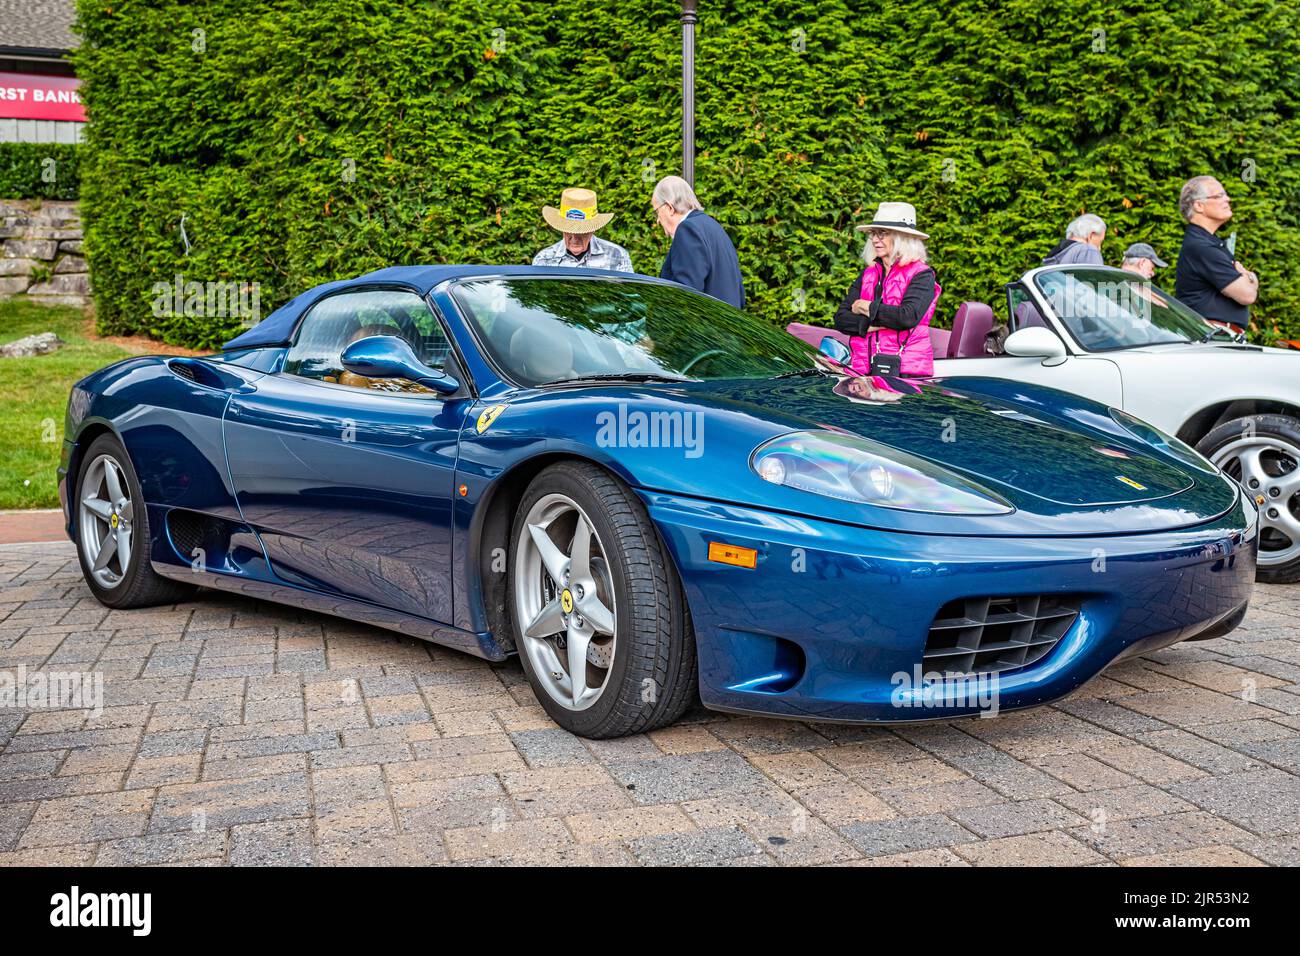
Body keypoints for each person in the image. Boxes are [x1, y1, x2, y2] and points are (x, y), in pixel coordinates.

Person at [831, 202, 941, 377]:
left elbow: (907, 317)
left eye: (882, 233)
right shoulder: (868, 274)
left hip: (906, 375)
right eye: (873, 234)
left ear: (902, 237)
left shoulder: (922, 274)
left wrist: (864, 307)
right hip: (862, 375)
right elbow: (841, 319)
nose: (875, 239)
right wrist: (872, 324)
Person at [1174, 176, 1258, 331]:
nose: (1228, 199)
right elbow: (1247, 295)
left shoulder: (1207, 242)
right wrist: (1250, 277)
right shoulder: (1202, 247)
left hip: (1214, 336)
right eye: (1219, 195)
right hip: (1212, 336)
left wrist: (1247, 277)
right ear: (1199, 205)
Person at [652, 175, 745, 309]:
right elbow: (740, 295)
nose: (658, 220)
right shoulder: (714, 227)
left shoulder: (687, 230)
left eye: (657, 212)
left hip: (705, 328)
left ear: (669, 208)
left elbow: (685, 295)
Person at [533, 187, 633, 272]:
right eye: (569, 230)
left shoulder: (617, 255)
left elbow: (628, 293)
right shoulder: (544, 259)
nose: (574, 238)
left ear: (593, 229)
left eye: (581, 232)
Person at [1042, 213, 1106, 266]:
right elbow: (1096, 279)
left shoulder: (1060, 253)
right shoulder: (1088, 250)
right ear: (1091, 235)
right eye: (1100, 241)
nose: (1099, 248)